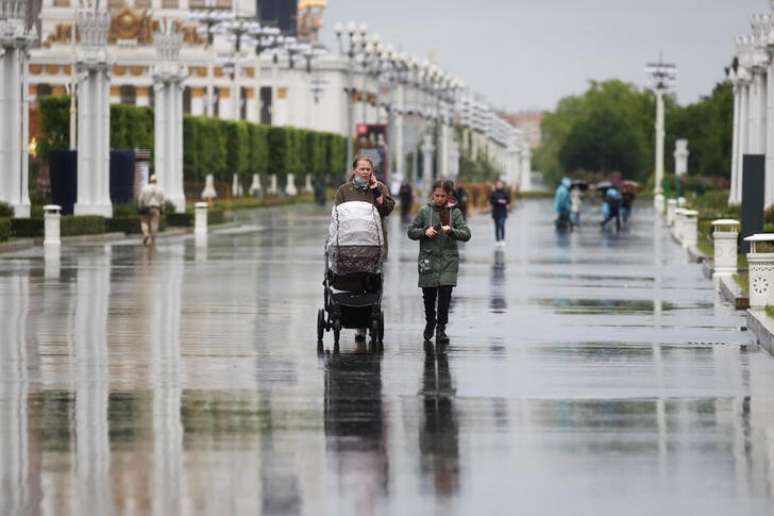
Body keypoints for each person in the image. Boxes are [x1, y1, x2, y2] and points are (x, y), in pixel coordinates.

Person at [335, 156, 395, 342]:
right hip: (350, 244)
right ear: (354, 170)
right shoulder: (344, 190)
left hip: (373, 245)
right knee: (353, 281)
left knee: (372, 283)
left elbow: (386, 209)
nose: (365, 172)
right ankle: (358, 322)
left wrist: (376, 190)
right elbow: (337, 215)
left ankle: (369, 318)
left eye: (368, 169)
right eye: (361, 169)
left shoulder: (380, 187)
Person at [407, 180, 471, 346]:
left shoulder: (454, 213)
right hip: (428, 260)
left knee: (445, 297)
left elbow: (466, 234)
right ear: (432, 195)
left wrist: (452, 231)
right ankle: (430, 322)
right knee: (428, 297)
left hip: (448, 261)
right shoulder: (424, 212)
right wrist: (424, 231)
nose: (440, 198)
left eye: (443, 195)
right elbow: (411, 232)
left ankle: (441, 328)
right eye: (437, 195)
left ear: (448, 196)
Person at [138, 174, 165, 246]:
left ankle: (146, 235)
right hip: (156, 208)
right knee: (154, 225)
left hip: (146, 208)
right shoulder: (160, 189)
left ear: (150, 180)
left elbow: (140, 199)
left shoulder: (145, 188)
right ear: (156, 181)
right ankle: (152, 241)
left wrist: (140, 206)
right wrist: (162, 209)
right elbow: (162, 201)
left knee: (144, 222)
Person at [489, 180, 510, 246]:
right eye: (498, 184)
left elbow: (508, 200)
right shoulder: (493, 193)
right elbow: (491, 201)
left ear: (502, 185)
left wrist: (504, 202)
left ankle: (503, 240)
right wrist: (497, 201)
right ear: (496, 185)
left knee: (502, 224)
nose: (499, 185)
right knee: (497, 226)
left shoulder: (505, 193)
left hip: (503, 212)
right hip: (496, 212)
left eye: (500, 184)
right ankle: (497, 240)